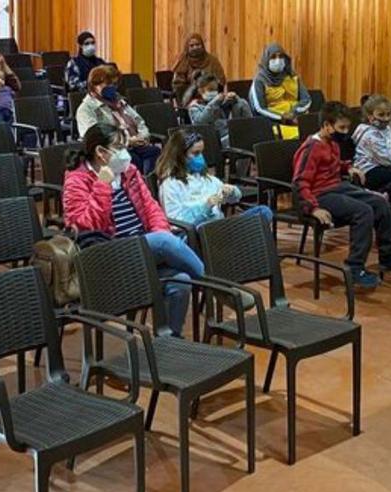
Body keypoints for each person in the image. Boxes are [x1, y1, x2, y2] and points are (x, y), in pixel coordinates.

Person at [63, 124, 203, 337]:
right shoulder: (77, 179)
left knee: (181, 281)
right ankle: (215, 286)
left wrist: (159, 232)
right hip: (108, 254)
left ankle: (169, 341)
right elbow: (84, 227)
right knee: (165, 241)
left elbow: (151, 208)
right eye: (118, 147)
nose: (124, 154)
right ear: (101, 152)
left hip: (141, 248)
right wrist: (102, 186)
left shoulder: (129, 172)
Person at [293, 102, 391, 289]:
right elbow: (300, 182)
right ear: (327, 126)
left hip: (338, 186)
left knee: (380, 202)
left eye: (347, 127)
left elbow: (334, 163)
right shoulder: (311, 148)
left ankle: (388, 257)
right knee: (363, 211)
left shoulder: (332, 143)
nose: (346, 131)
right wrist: (313, 208)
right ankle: (355, 266)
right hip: (320, 195)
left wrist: (348, 167)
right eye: (341, 128)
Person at [157, 130, 272, 226]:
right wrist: (205, 208)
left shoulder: (205, 177)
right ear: (180, 155)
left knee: (263, 212)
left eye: (202, 152)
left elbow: (235, 198)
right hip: (199, 232)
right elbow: (175, 223)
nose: (201, 157)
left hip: (219, 226)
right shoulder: (170, 184)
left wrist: (231, 191)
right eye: (196, 153)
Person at [76, 65, 161, 174]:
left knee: (155, 152)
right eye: (108, 84)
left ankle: (148, 184)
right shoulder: (86, 109)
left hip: (134, 145)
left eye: (114, 84)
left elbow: (139, 121)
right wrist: (127, 142)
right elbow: (95, 138)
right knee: (132, 159)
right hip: (111, 151)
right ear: (94, 85)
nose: (112, 87)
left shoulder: (119, 101)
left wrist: (143, 136)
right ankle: (137, 186)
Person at [249, 43, 311, 139]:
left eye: (280, 56)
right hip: (274, 122)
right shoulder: (259, 81)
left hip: (298, 118)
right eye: (273, 57)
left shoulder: (292, 76)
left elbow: (307, 99)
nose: (278, 60)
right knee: (299, 138)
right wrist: (283, 117)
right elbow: (259, 109)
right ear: (266, 60)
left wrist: (294, 113)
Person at [187, 73, 252, 146]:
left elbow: (234, 112)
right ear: (200, 91)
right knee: (244, 138)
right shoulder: (195, 106)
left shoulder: (219, 103)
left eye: (215, 90)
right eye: (210, 89)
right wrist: (215, 102)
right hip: (213, 140)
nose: (214, 92)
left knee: (241, 103)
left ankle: (251, 128)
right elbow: (201, 122)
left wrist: (235, 99)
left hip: (228, 133)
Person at [171, 34, 227, 103]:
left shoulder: (212, 60)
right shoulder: (183, 61)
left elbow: (221, 80)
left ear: (202, 46)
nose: (195, 48)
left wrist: (207, 85)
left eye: (198, 45)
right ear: (187, 48)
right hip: (190, 98)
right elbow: (178, 86)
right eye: (192, 46)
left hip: (211, 95)